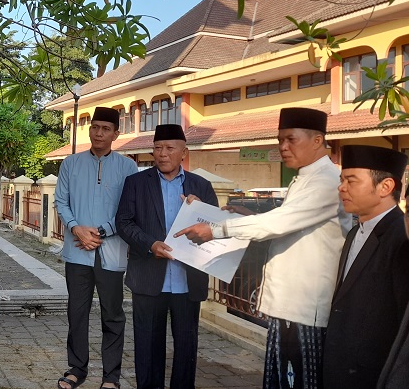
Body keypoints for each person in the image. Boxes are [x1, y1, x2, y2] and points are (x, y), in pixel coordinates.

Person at [174, 107, 352, 389]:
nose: (283, 147)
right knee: (280, 378)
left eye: (291, 139)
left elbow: (282, 221)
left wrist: (217, 229)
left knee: (299, 380)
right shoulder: (306, 176)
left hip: (304, 306)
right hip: (288, 305)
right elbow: (289, 220)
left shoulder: (326, 181)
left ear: (317, 141)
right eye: (280, 139)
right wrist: (248, 216)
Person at [115, 123, 218, 389]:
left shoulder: (202, 186)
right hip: (149, 278)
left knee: (186, 348)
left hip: (187, 280)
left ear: (183, 152)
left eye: (170, 148)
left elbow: (215, 229)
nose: (162, 154)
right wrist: (150, 245)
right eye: (158, 148)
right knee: (148, 347)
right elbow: (124, 222)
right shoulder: (136, 183)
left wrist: (202, 211)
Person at [54, 107, 138, 389]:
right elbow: (61, 202)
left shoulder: (128, 167)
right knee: (76, 312)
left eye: (105, 128)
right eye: (94, 127)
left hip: (110, 253)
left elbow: (129, 208)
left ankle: (111, 376)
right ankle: (77, 368)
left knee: (112, 314)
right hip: (77, 250)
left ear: (116, 133)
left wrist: (102, 232)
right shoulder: (70, 164)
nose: (98, 133)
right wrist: (77, 227)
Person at [324, 145, 409, 388]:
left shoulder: (401, 240)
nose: (341, 188)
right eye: (341, 180)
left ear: (386, 187)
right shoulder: (353, 233)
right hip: (339, 368)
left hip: (373, 374)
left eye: (351, 181)